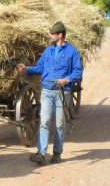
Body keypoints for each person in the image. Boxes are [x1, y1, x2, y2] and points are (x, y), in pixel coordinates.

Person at [17, 21, 83, 165]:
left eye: (52, 34)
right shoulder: (48, 51)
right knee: (44, 122)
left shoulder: (72, 52)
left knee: (59, 125)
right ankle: (41, 153)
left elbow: (78, 71)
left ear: (60, 35)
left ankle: (57, 154)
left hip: (62, 92)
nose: (50, 36)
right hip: (47, 91)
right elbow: (40, 67)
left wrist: (67, 79)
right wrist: (27, 69)